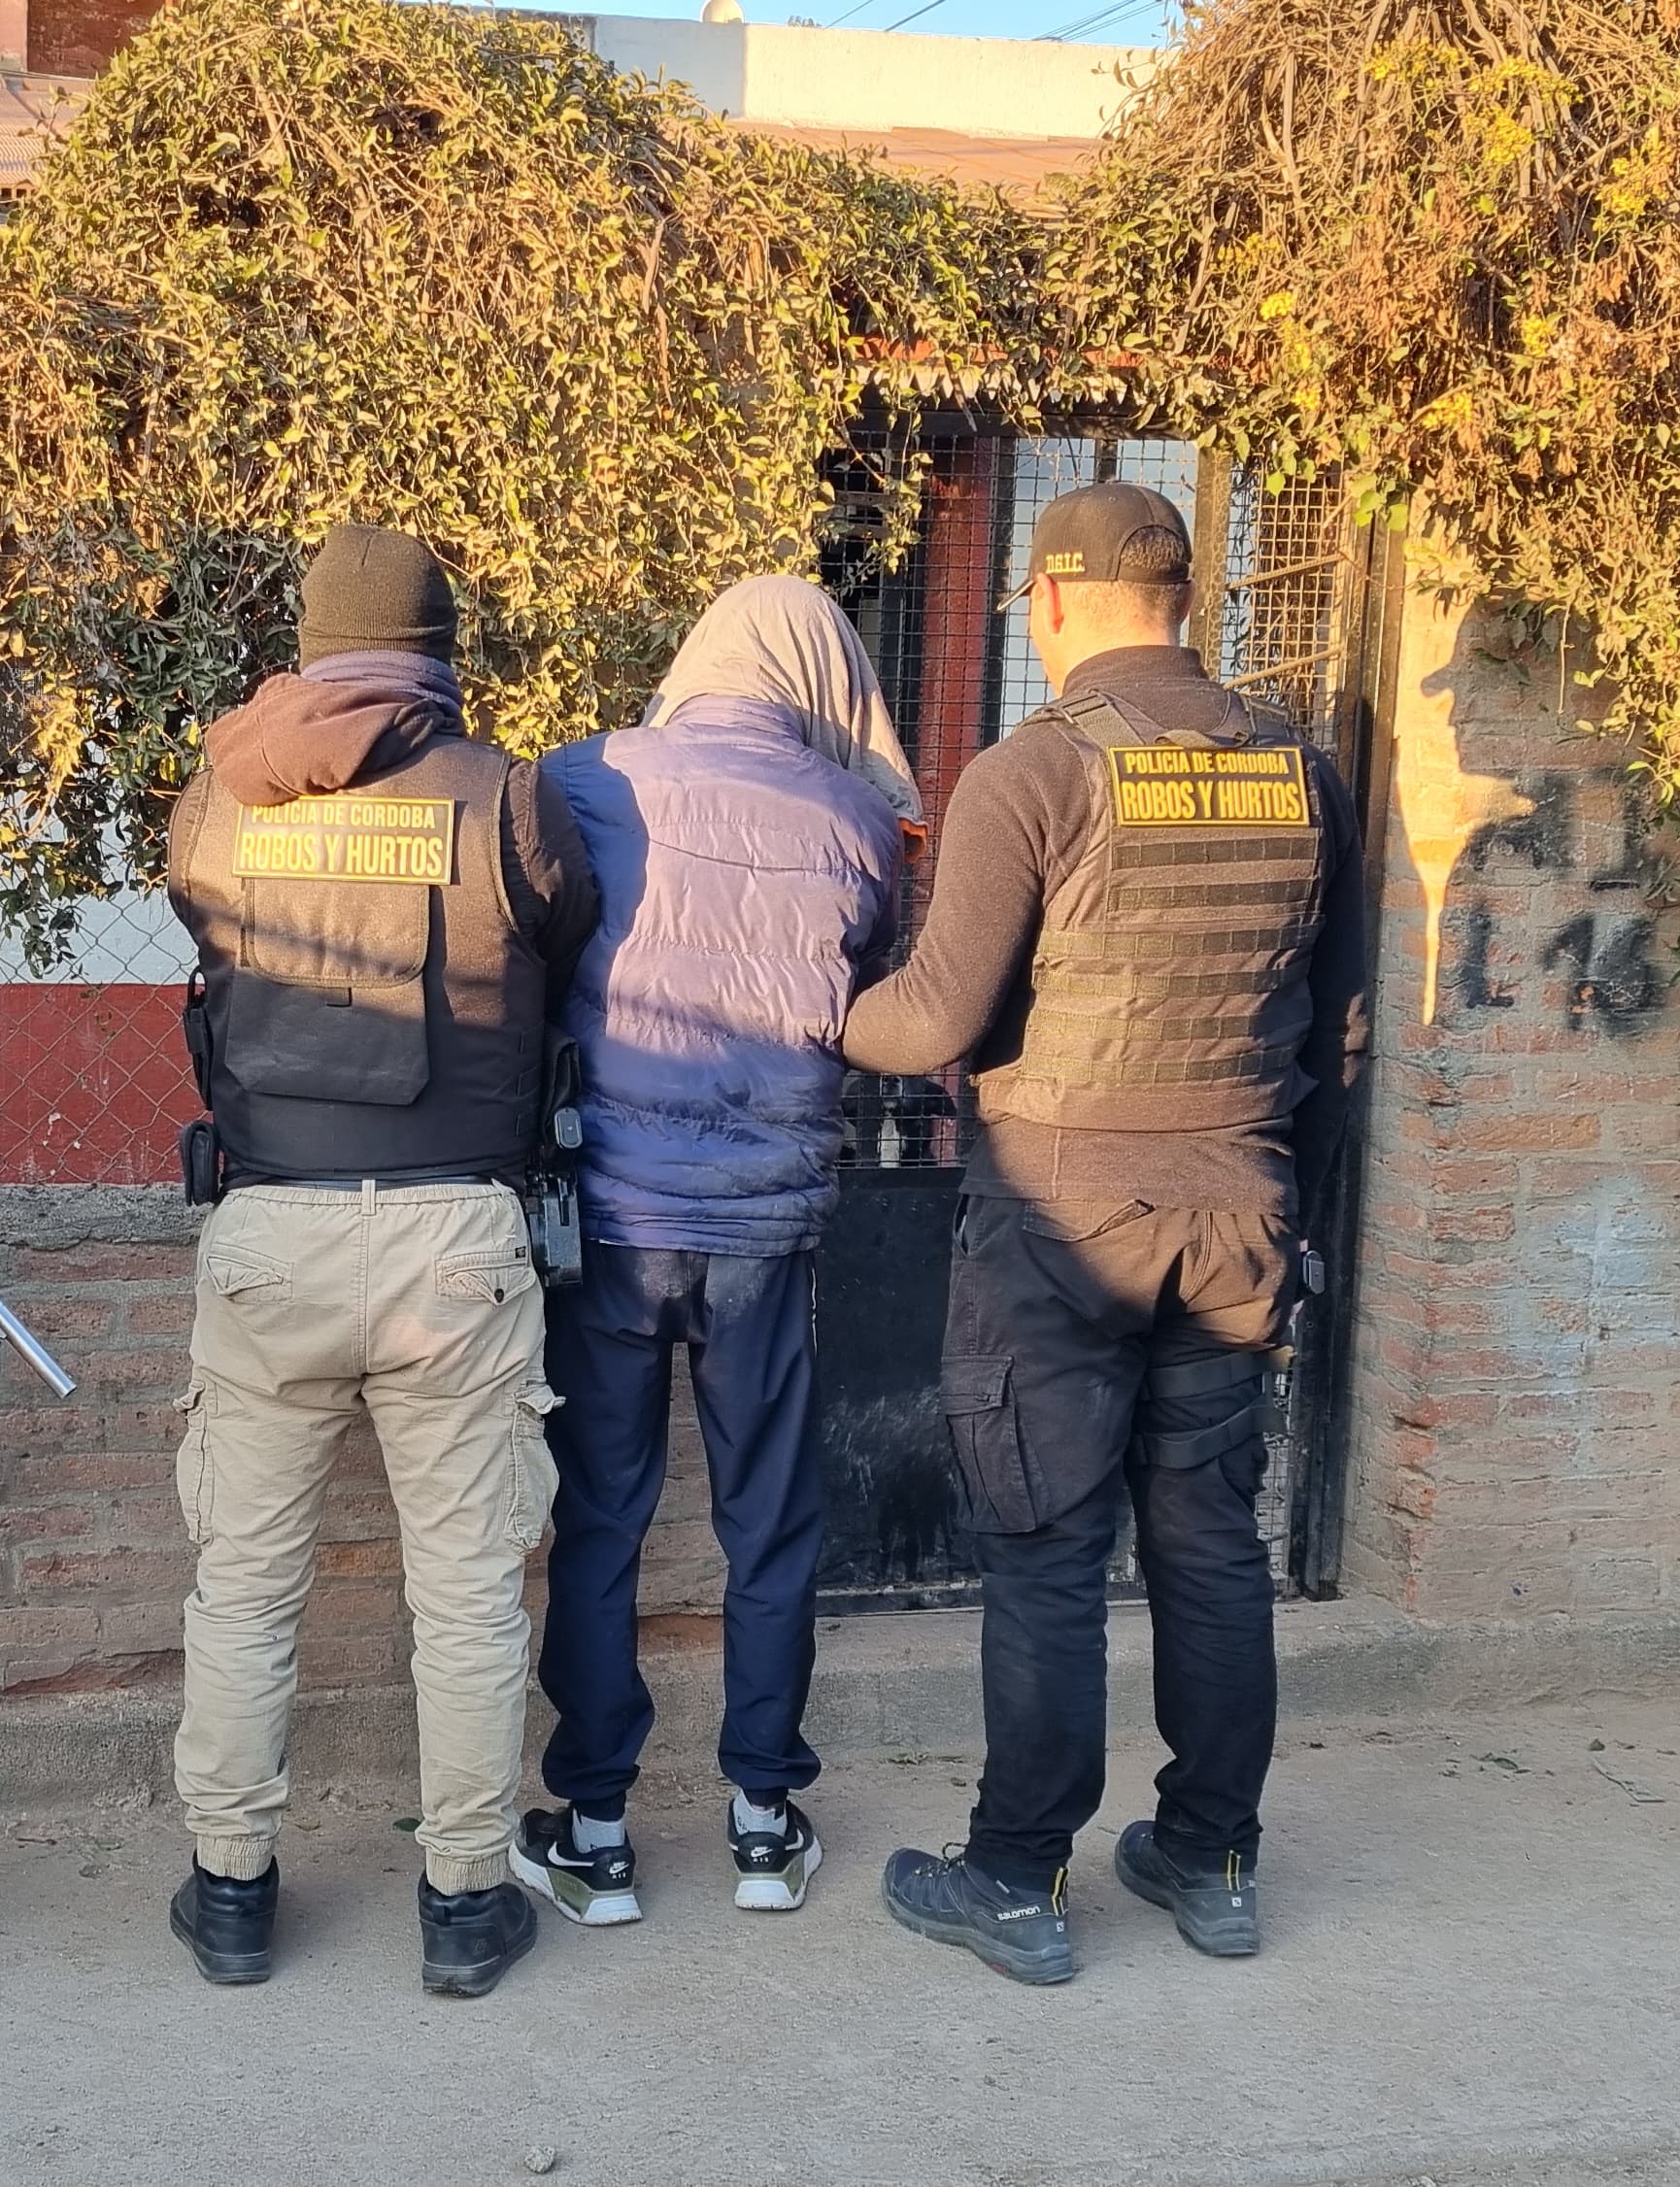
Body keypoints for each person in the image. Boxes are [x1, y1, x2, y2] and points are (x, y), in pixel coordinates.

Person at [842, 479, 1366, 1985]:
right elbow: (1332, 1029)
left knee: (1049, 1552)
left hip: (1065, 1222)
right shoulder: (1302, 774)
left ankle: (1015, 1880)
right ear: (1184, 600)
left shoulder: (1033, 774)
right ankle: (1208, 1858)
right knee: (1210, 1546)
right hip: (1239, 1208)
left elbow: (936, 1016)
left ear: (1053, 604)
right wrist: (1286, 1198)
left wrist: (824, 1011)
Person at [159, 522, 598, 1998]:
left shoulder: (217, 796)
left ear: (309, 643)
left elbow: (201, 924)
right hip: (455, 1240)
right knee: (471, 1594)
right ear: (439, 650)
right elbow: (568, 929)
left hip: (269, 1229)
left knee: (243, 1584)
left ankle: (229, 1896)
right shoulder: (511, 800)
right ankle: (466, 1908)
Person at [509, 576, 908, 1927]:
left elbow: (535, 957)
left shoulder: (579, 778)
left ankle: (600, 1831)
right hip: (767, 1228)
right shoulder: (861, 818)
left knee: (602, 1518)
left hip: (611, 1224)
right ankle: (759, 1819)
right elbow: (873, 987)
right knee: (770, 1517)